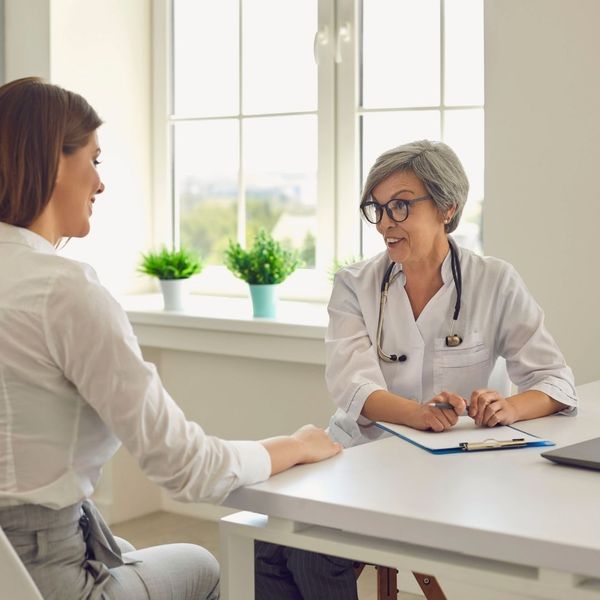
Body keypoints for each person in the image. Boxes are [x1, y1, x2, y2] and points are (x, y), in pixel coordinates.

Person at [0, 76, 341, 600]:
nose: (100, 182)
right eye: (93, 159)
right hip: (44, 576)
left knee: (136, 550)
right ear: (52, 160)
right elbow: (185, 468)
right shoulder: (63, 290)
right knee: (201, 563)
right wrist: (292, 446)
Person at [255, 139, 577, 599]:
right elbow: (352, 386)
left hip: (445, 470)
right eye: (378, 208)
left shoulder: (495, 281)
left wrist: (507, 406)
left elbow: (555, 379)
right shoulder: (355, 284)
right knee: (266, 543)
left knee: (310, 550)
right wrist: (417, 413)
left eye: (401, 206)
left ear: (448, 207)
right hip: (360, 453)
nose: (386, 222)